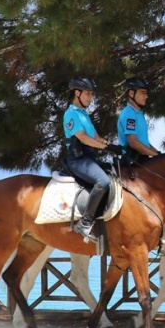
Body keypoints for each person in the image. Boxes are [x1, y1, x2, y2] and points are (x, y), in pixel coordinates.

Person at [63, 77, 113, 243]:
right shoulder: (70, 114)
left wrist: (108, 144)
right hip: (77, 159)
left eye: (91, 94)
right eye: (88, 93)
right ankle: (84, 224)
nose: (90, 97)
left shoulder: (84, 114)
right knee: (103, 182)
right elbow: (83, 138)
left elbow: (95, 136)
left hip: (89, 157)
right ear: (77, 93)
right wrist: (103, 147)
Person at [117, 77, 160, 162]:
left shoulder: (138, 114)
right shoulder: (129, 114)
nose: (146, 96)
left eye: (146, 93)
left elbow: (144, 143)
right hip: (132, 162)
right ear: (132, 94)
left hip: (141, 159)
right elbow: (134, 143)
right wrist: (155, 155)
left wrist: (158, 154)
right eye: (143, 93)